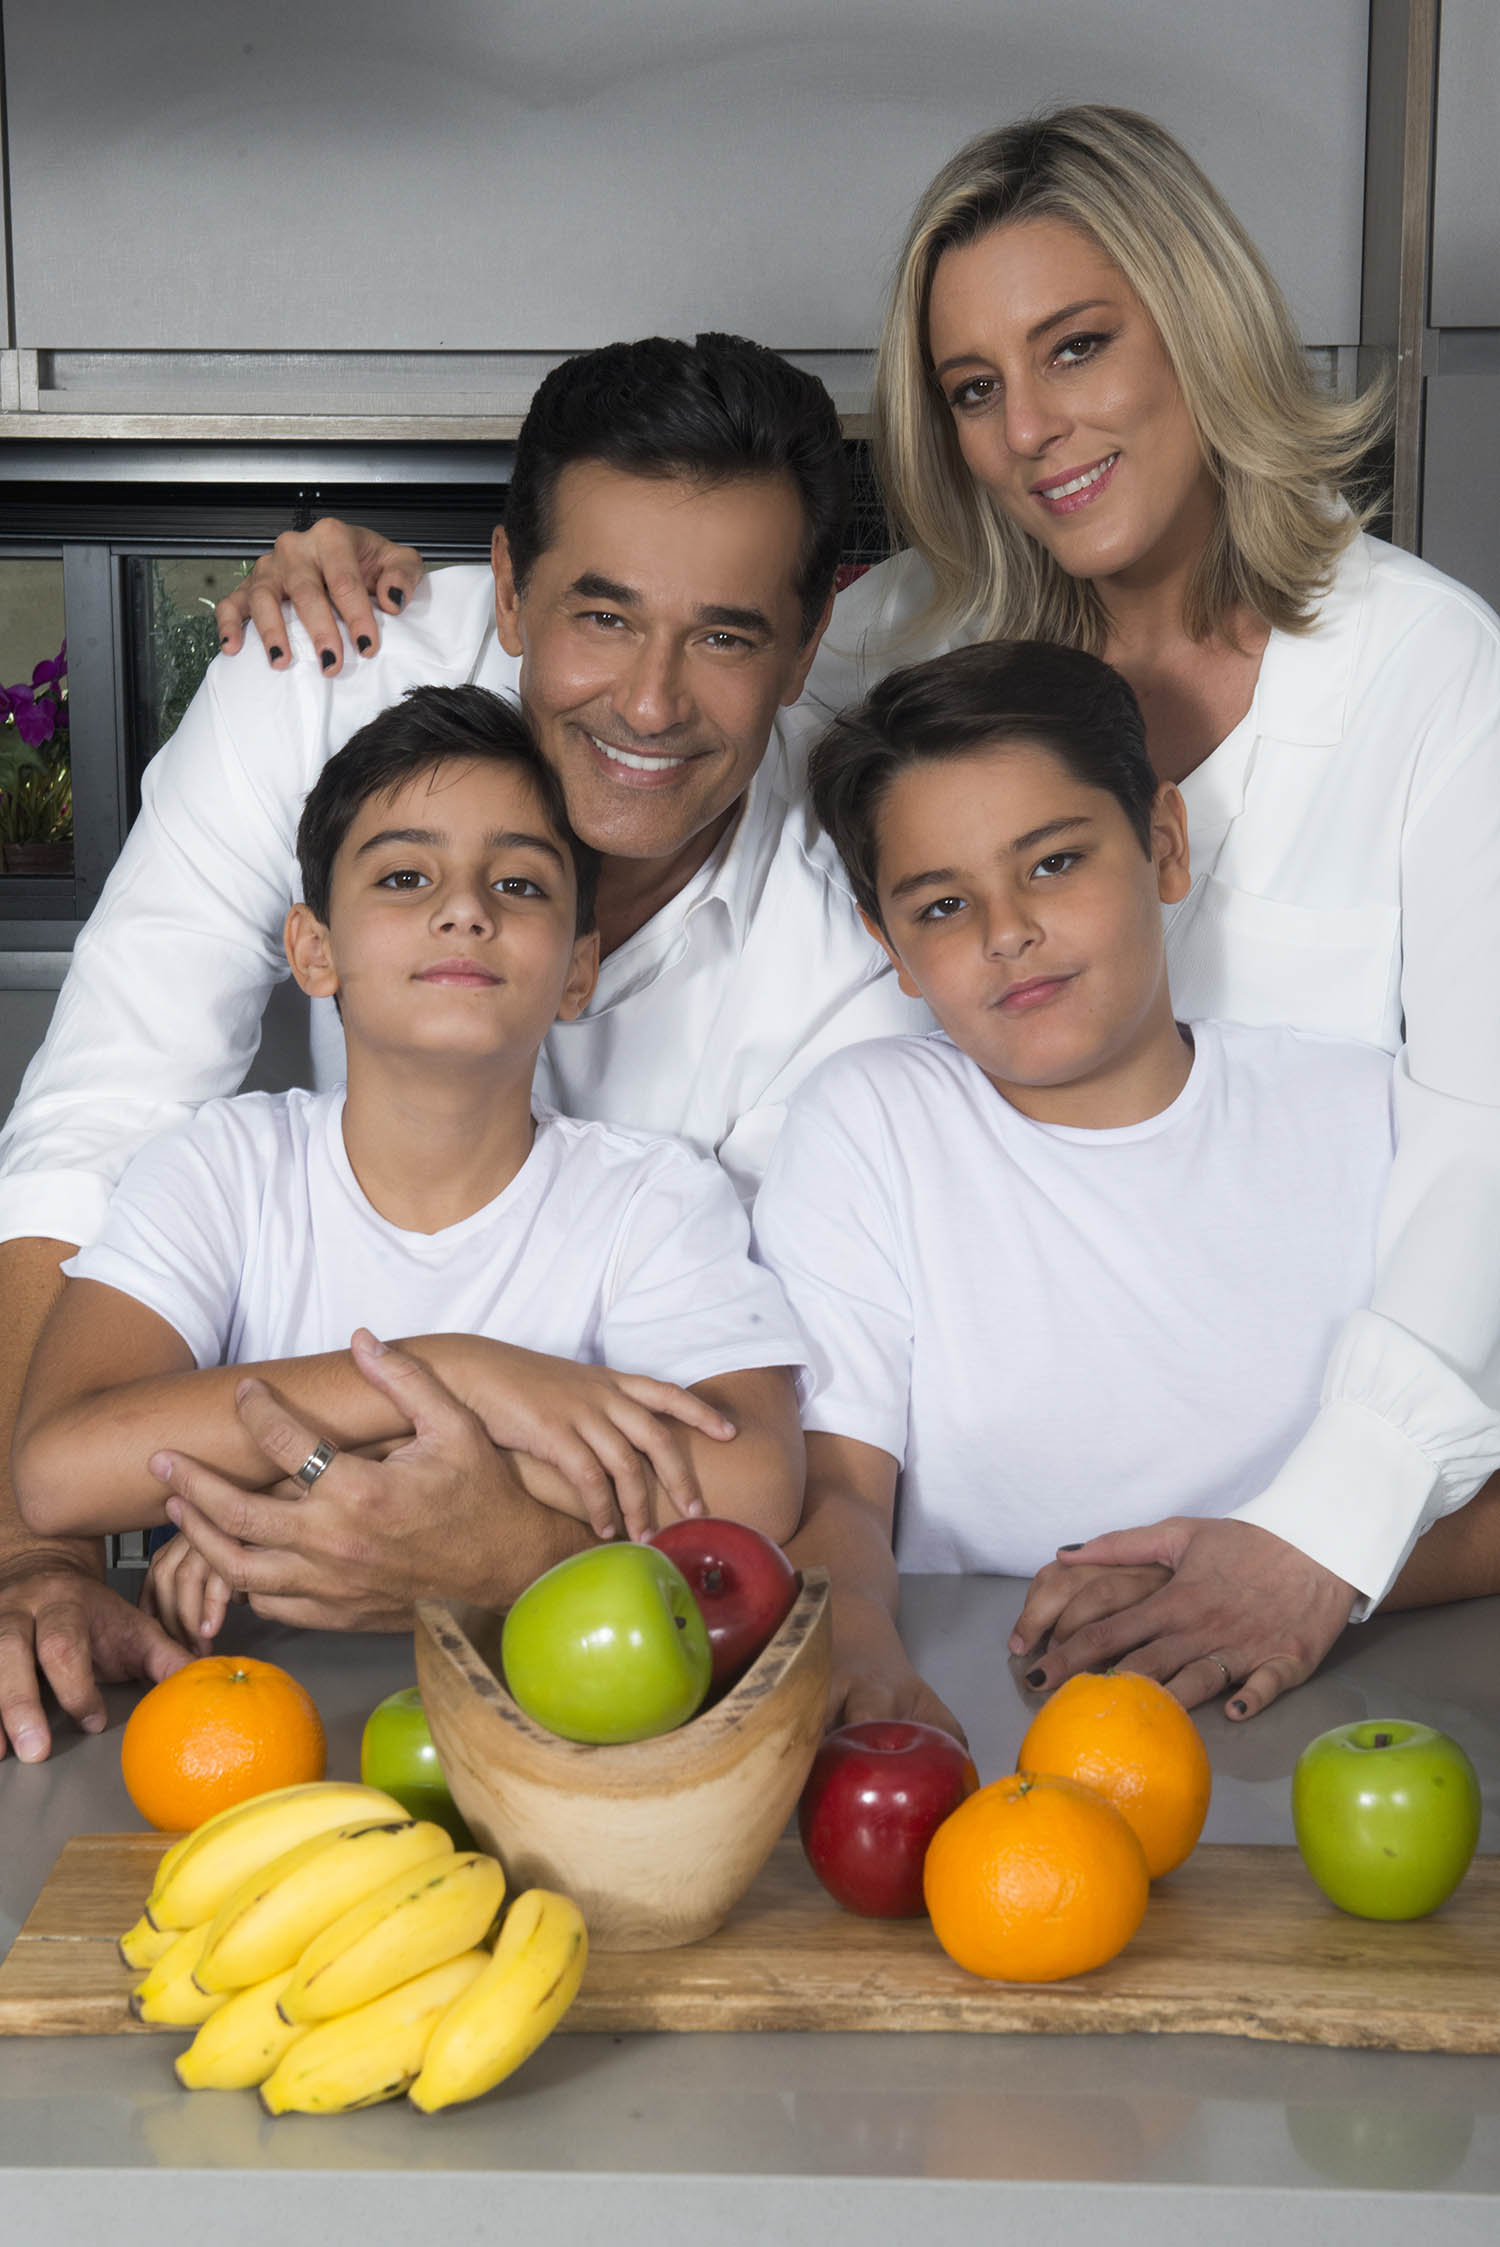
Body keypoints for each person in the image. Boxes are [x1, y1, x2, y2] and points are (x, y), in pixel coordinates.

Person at [217, 104, 1500, 1716]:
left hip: (1344, 1548)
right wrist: (367, 598)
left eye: (1077, 347)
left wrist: (1322, 1535)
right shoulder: (904, 637)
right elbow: (647, 637)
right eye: (974, 389)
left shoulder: (1430, 668)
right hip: (969, 1547)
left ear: (1203, 323)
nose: (1030, 428)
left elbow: (1480, 1137)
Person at [0, 333, 926, 1758]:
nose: (652, 701)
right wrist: (30, 1558)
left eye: (728, 635)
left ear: (806, 645)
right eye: (600, 617)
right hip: (275, 1655)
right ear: (503, 588)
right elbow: (97, 1123)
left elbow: (761, 1436)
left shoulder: (854, 937)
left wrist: (497, 1543)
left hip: (593, 1666)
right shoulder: (316, 679)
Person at [756, 641, 1498, 1737]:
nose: (1009, 932)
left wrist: (1308, 1573)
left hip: (1342, 1709)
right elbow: (841, 1493)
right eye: (943, 907)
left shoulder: (1369, 1116)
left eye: (1054, 863)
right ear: (891, 948)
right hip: (985, 1702)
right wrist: (855, 1647)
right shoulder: (869, 1124)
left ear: (1163, 846)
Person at [13, 686, 806, 1649]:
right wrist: (452, 1370)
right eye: (403, 879)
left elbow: (756, 1480)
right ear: (315, 949)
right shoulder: (222, 1167)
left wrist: (297, 1481)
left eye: (518, 884)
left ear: (579, 968)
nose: (465, 910)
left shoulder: (654, 1195)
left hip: (551, 1715)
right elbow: (58, 1468)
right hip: (266, 1699)